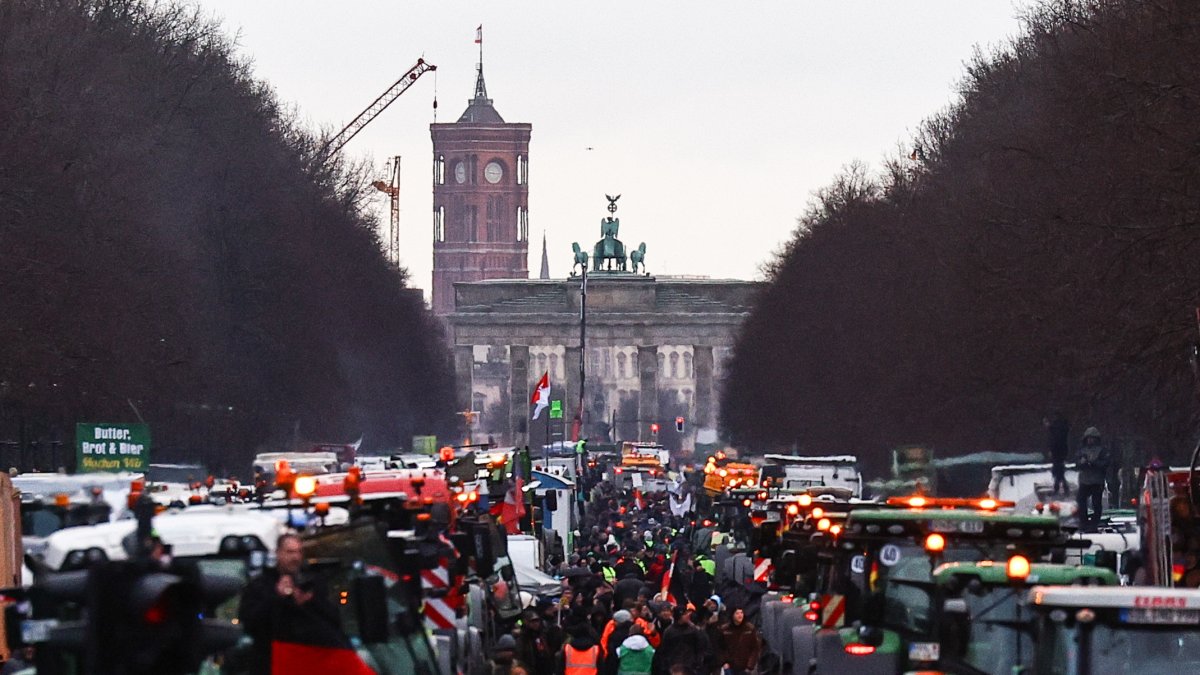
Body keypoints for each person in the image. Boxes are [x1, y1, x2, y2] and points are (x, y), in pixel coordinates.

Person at [238, 533, 351, 675]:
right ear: (278, 553)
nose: (295, 558)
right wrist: (278, 597)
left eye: (298, 552)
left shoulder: (313, 583)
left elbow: (334, 619)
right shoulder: (260, 586)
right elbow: (250, 623)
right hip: (272, 662)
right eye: (290, 552)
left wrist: (309, 601)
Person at [1076, 427, 1110, 528]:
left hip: (1097, 480)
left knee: (1096, 503)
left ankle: (1094, 522)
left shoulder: (1102, 450)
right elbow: (1077, 463)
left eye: (1092, 438)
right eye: (1088, 438)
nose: (1090, 440)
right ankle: (1084, 521)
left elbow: (1105, 463)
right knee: (1081, 501)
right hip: (1085, 480)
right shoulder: (1082, 450)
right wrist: (1083, 463)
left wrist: (1094, 463)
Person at [719, 608, 761, 675]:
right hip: (730, 666)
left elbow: (755, 648)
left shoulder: (750, 629)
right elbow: (720, 648)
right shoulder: (725, 630)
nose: (740, 615)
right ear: (732, 615)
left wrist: (750, 666)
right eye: (737, 613)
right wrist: (724, 662)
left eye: (741, 613)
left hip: (745, 667)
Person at [1044, 412, 1070, 494]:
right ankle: (1061, 486)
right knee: (1059, 468)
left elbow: (1055, 439)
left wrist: (1052, 450)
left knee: (1058, 468)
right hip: (1061, 450)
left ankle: (1059, 486)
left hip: (1058, 451)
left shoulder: (1057, 427)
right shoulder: (1063, 427)